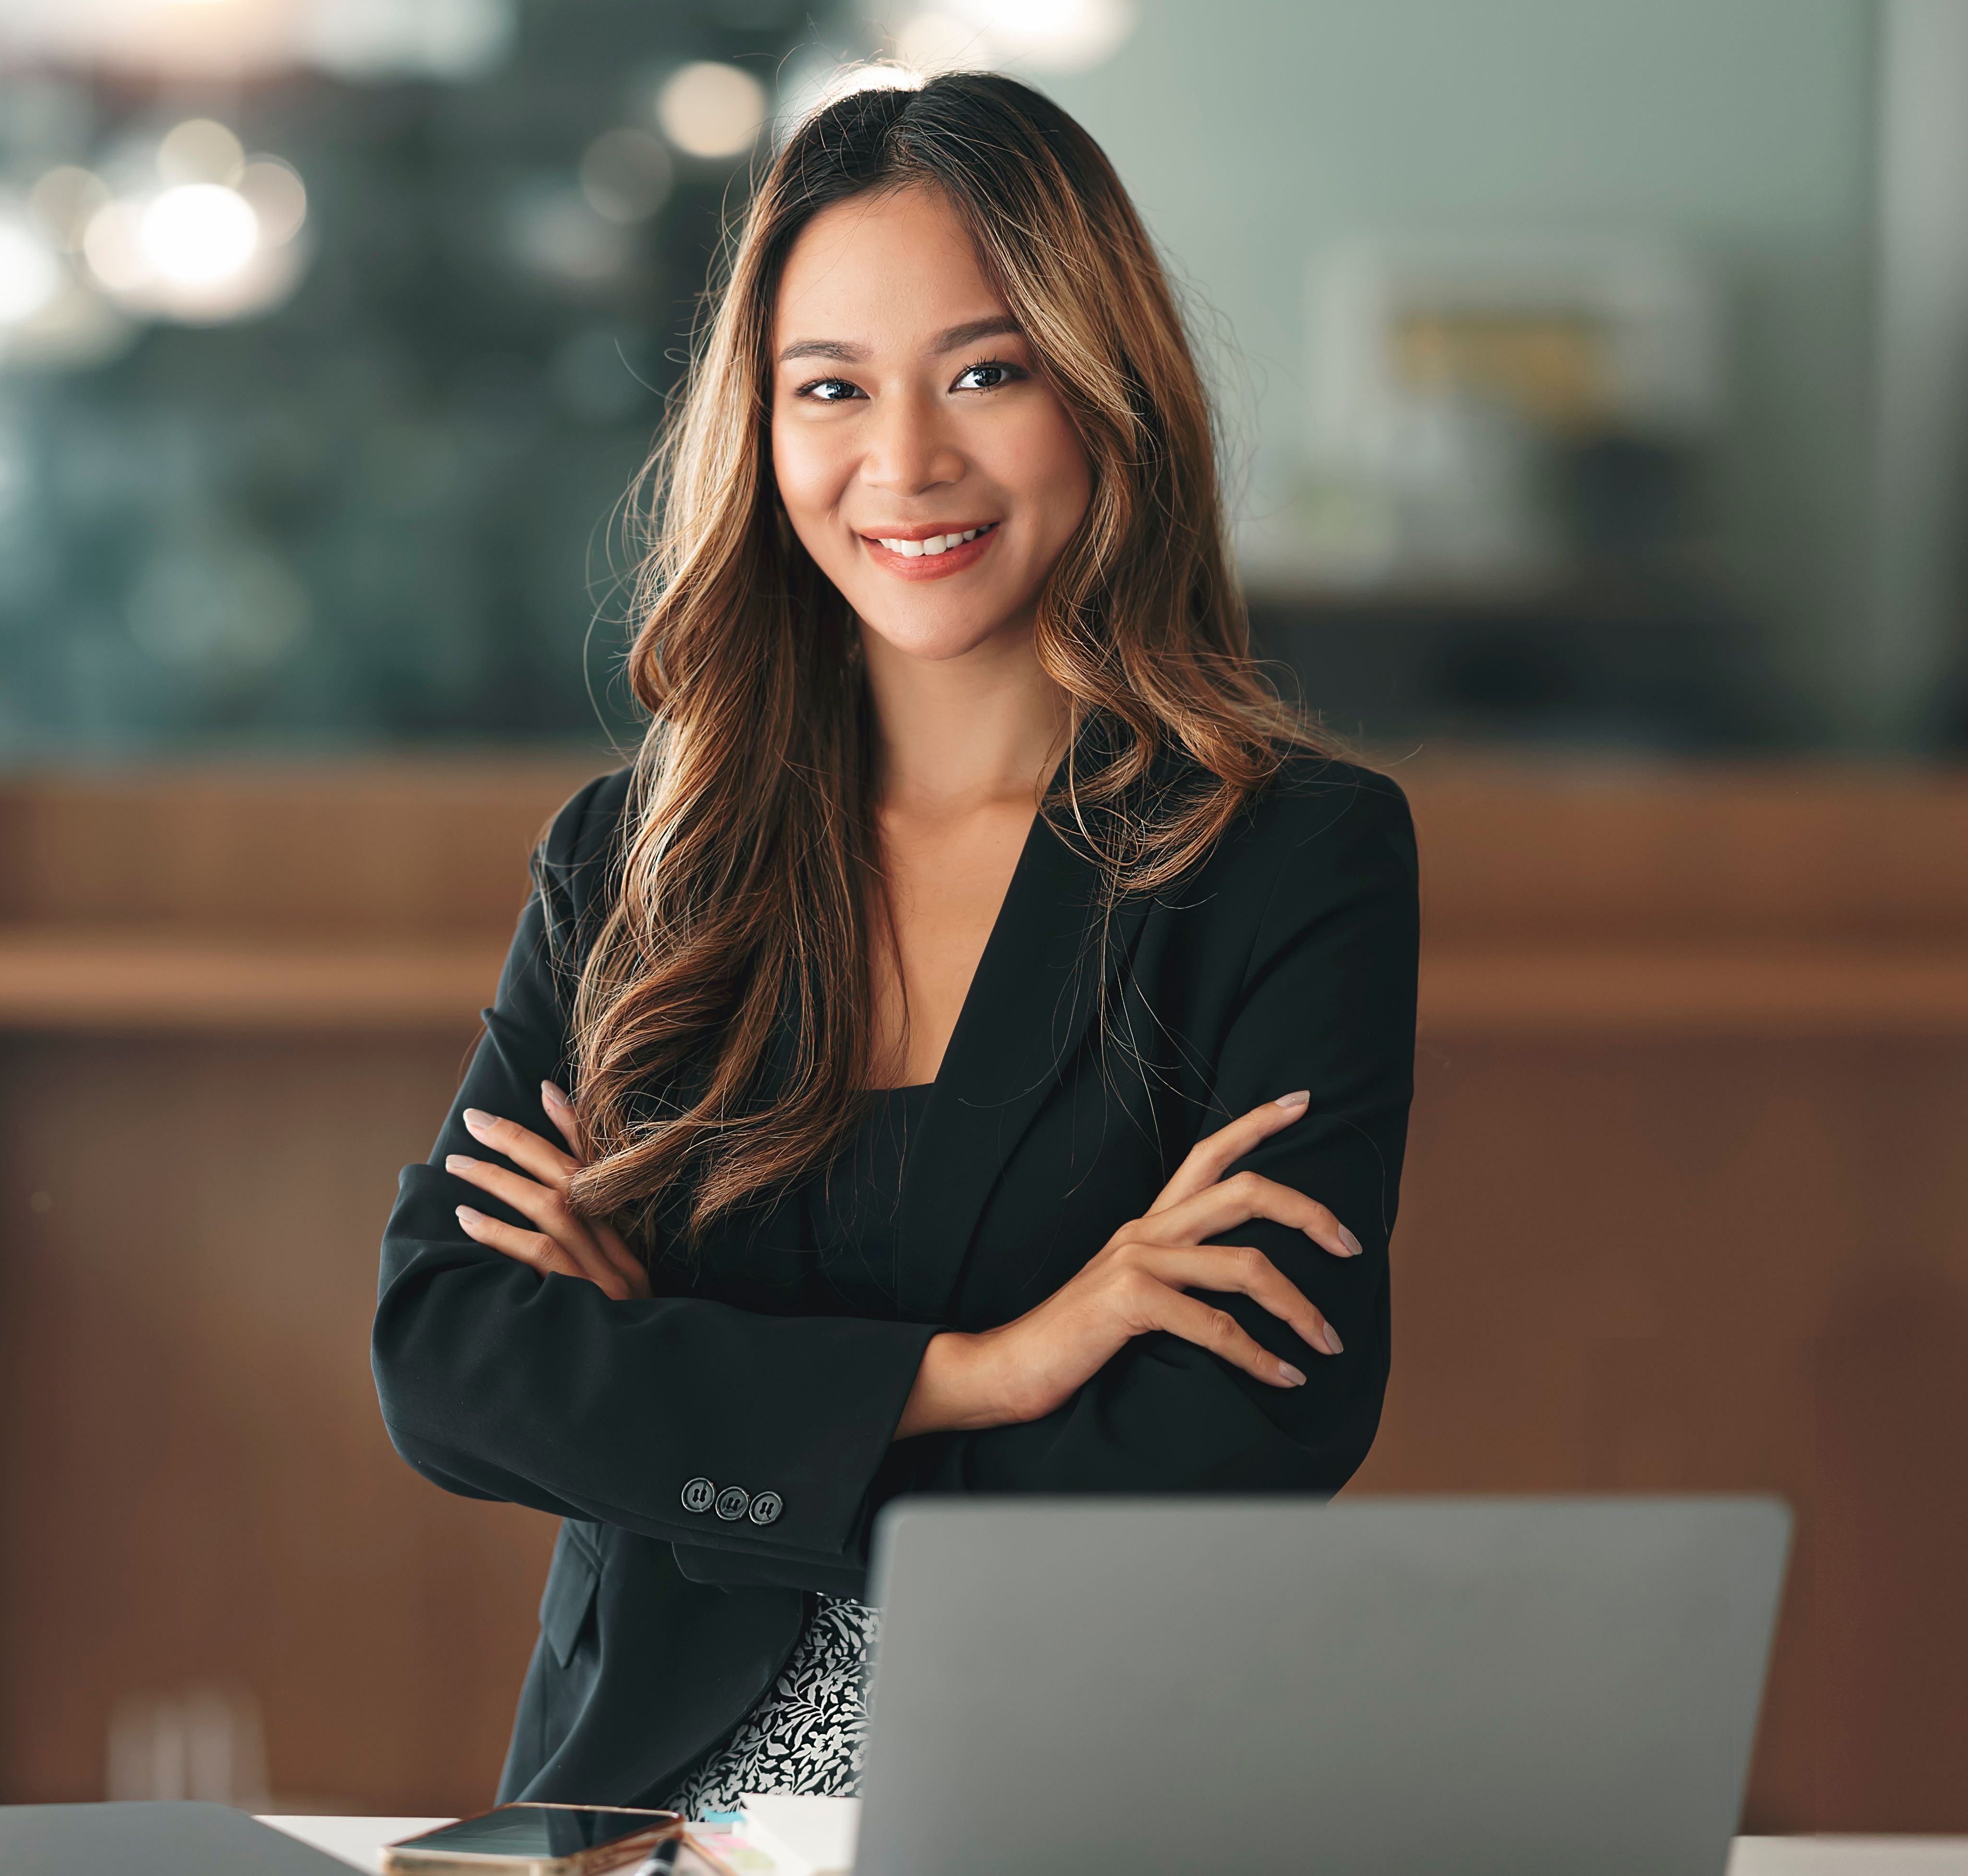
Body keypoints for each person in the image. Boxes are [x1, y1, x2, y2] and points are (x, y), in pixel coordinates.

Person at [368, 70, 1418, 1815]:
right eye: (829, 390)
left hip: (1068, 1802)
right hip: (640, 1818)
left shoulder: (1287, 857)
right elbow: (451, 1359)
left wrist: (688, 1414)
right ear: (759, 430)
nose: (904, 463)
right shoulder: (636, 857)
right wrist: (986, 1371)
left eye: (983, 373)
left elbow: (1237, 1429)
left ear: (1105, 390)